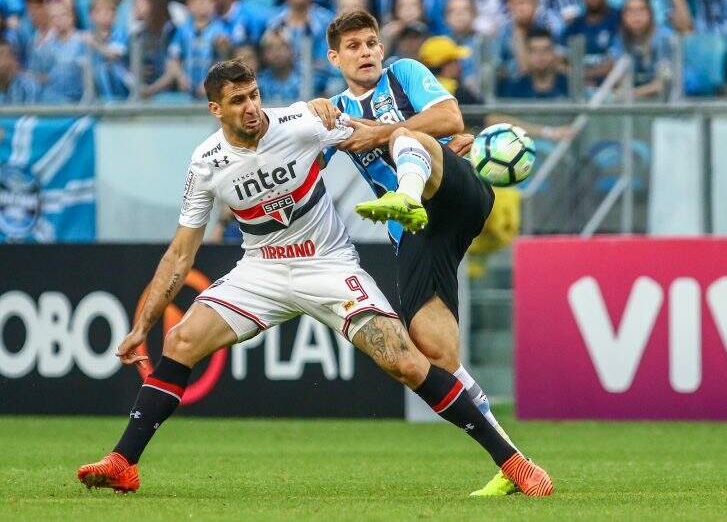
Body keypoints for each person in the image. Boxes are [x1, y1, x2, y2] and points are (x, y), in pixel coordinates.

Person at [75, 60, 551, 498]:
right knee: (179, 341)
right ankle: (123, 462)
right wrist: (142, 325)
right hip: (260, 269)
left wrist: (444, 146)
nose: (252, 108)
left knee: (406, 361)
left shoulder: (301, 122)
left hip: (327, 264)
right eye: (238, 101)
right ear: (215, 109)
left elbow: (379, 135)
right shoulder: (206, 164)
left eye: (255, 95)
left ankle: (512, 462)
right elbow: (181, 253)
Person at [309, 10, 549, 497]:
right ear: (335, 58)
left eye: (372, 43)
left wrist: (380, 132)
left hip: (455, 190)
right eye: (353, 46)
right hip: (418, 232)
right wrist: (311, 117)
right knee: (434, 350)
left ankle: (408, 194)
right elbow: (305, 162)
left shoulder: (405, 73)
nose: (367, 52)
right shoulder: (334, 110)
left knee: (407, 135)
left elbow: (451, 119)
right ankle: (513, 462)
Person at [165, 0, 229, 99]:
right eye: (195, 0)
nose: (201, 4)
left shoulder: (220, 29)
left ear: (214, 3)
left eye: (206, 0)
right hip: (186, 89)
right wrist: (181, 77)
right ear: (188, 6)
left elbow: (223, 59)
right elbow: (174, 58)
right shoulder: (182, 30)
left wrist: (210, 82)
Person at [610, 0, 673, 99]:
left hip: (666, 101)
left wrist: (632, 93)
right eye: (630, 11)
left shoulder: (665, 37)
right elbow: (619, 78)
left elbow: (663, 83)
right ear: (623, 16)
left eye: (641, 9)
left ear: (650, 13)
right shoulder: (620, 39)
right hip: (634, 102)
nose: (636, 15)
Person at [29, 0, 87, 103]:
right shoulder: (45, 46)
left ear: (72, 16)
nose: (59, 20)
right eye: (54, 17)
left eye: (63, 15)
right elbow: (37, 74)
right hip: (50, 99)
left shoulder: (84, 41)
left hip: (78, 101)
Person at [561, 0, 620, 85]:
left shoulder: (620, 20)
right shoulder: (573, 26)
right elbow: (559, 62)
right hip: (577, 92)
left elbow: (617, 63)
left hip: (613, 90)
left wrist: (581, 75)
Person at [498, 26, 569, 99]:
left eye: (546, 50)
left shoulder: (569, 87)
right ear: (527, 55)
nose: (540, 55)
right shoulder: (514, 90)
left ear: (553, 53)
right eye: (534, 50)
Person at [417, 35, 482, 106]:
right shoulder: (459, 93)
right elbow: (488, 115)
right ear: (445, 65)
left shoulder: (416, 91)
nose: (459, 65)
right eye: (455, 61)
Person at [0, 38, 40, 104]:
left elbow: (30, 113)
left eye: (3, 55)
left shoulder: (28, 87)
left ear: (12, 59)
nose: (2, 61)